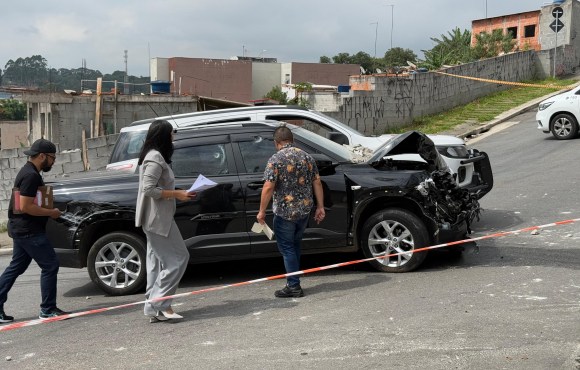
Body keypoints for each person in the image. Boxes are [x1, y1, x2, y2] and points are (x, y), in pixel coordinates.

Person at [0, 138, 69, 323]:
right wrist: (51, 212)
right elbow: (25, 206)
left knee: (17, 267)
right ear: (42, 156)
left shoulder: (28, 171)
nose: (53, 162)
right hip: (29, 230)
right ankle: (47, 309)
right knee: (50, 265)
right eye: (52, 158)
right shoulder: (31, 175)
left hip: (21, 228)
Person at [135, 120, 195, 323]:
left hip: (157, 219)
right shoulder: (154, 158)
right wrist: (177, 194)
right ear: (163, 136)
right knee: (178, 259)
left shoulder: (153, 156)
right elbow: (149, 189)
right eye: (171, 133)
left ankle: (154, 307)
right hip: (158, 220)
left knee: (156, 264)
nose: (173, 137)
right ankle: (157, 304)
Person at [257, 124, 325, 298]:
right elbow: (317, 182)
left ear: (276, 142)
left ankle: (293, 286)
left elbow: (268, 187)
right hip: (304, 211)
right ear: (292, 140)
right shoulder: (307, 157)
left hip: (284, 213)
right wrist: (320, 206)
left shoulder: (276, 159)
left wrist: (261, 211)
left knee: (287, 248)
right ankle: (293, 280)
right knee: (295, 246)